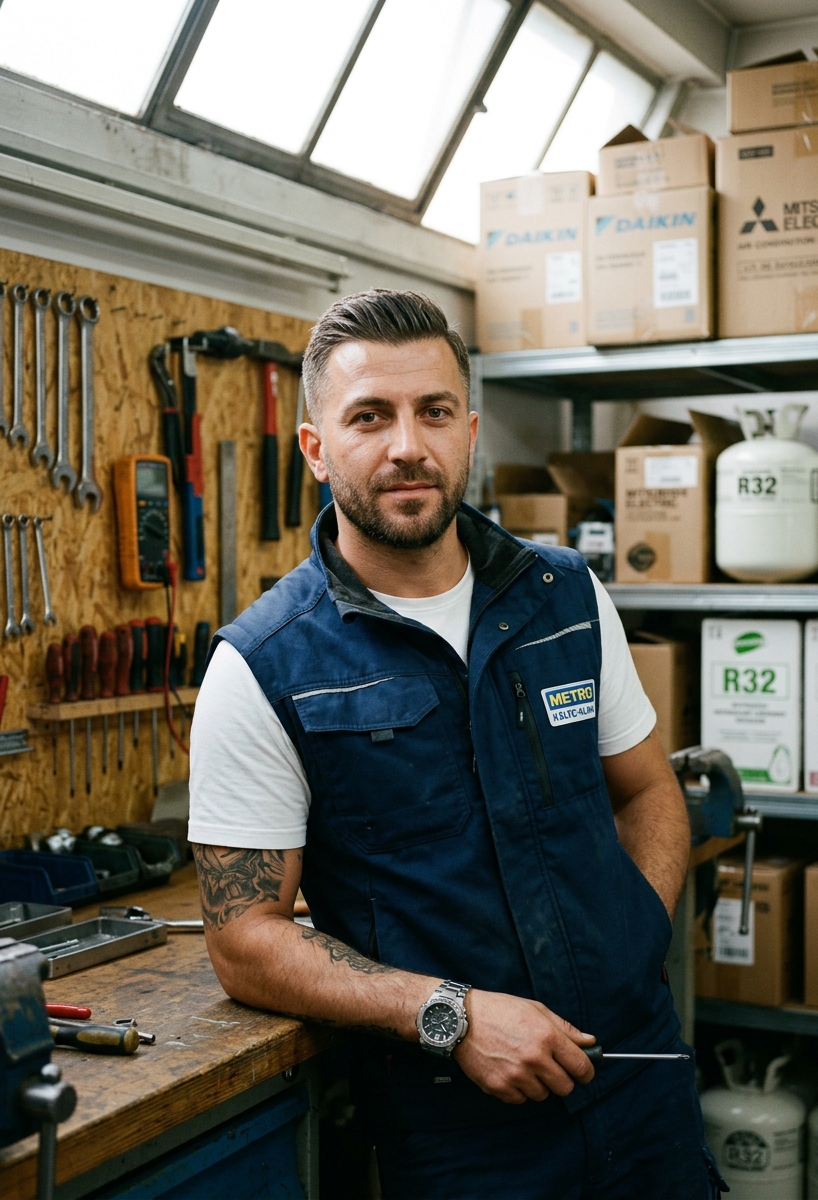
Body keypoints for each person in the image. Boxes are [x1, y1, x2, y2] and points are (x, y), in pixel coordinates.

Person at [188, 289, 724, 1199]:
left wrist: (637, 931)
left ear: (469, 431)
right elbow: (245, 937)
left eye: (434, 411)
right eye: (369, 417)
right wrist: (451, 1014)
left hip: (640, 1079)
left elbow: (644, 788)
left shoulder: (564, 595)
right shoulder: (266, 665)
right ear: (316, 450)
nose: (408, 445)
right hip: (461, 1129)